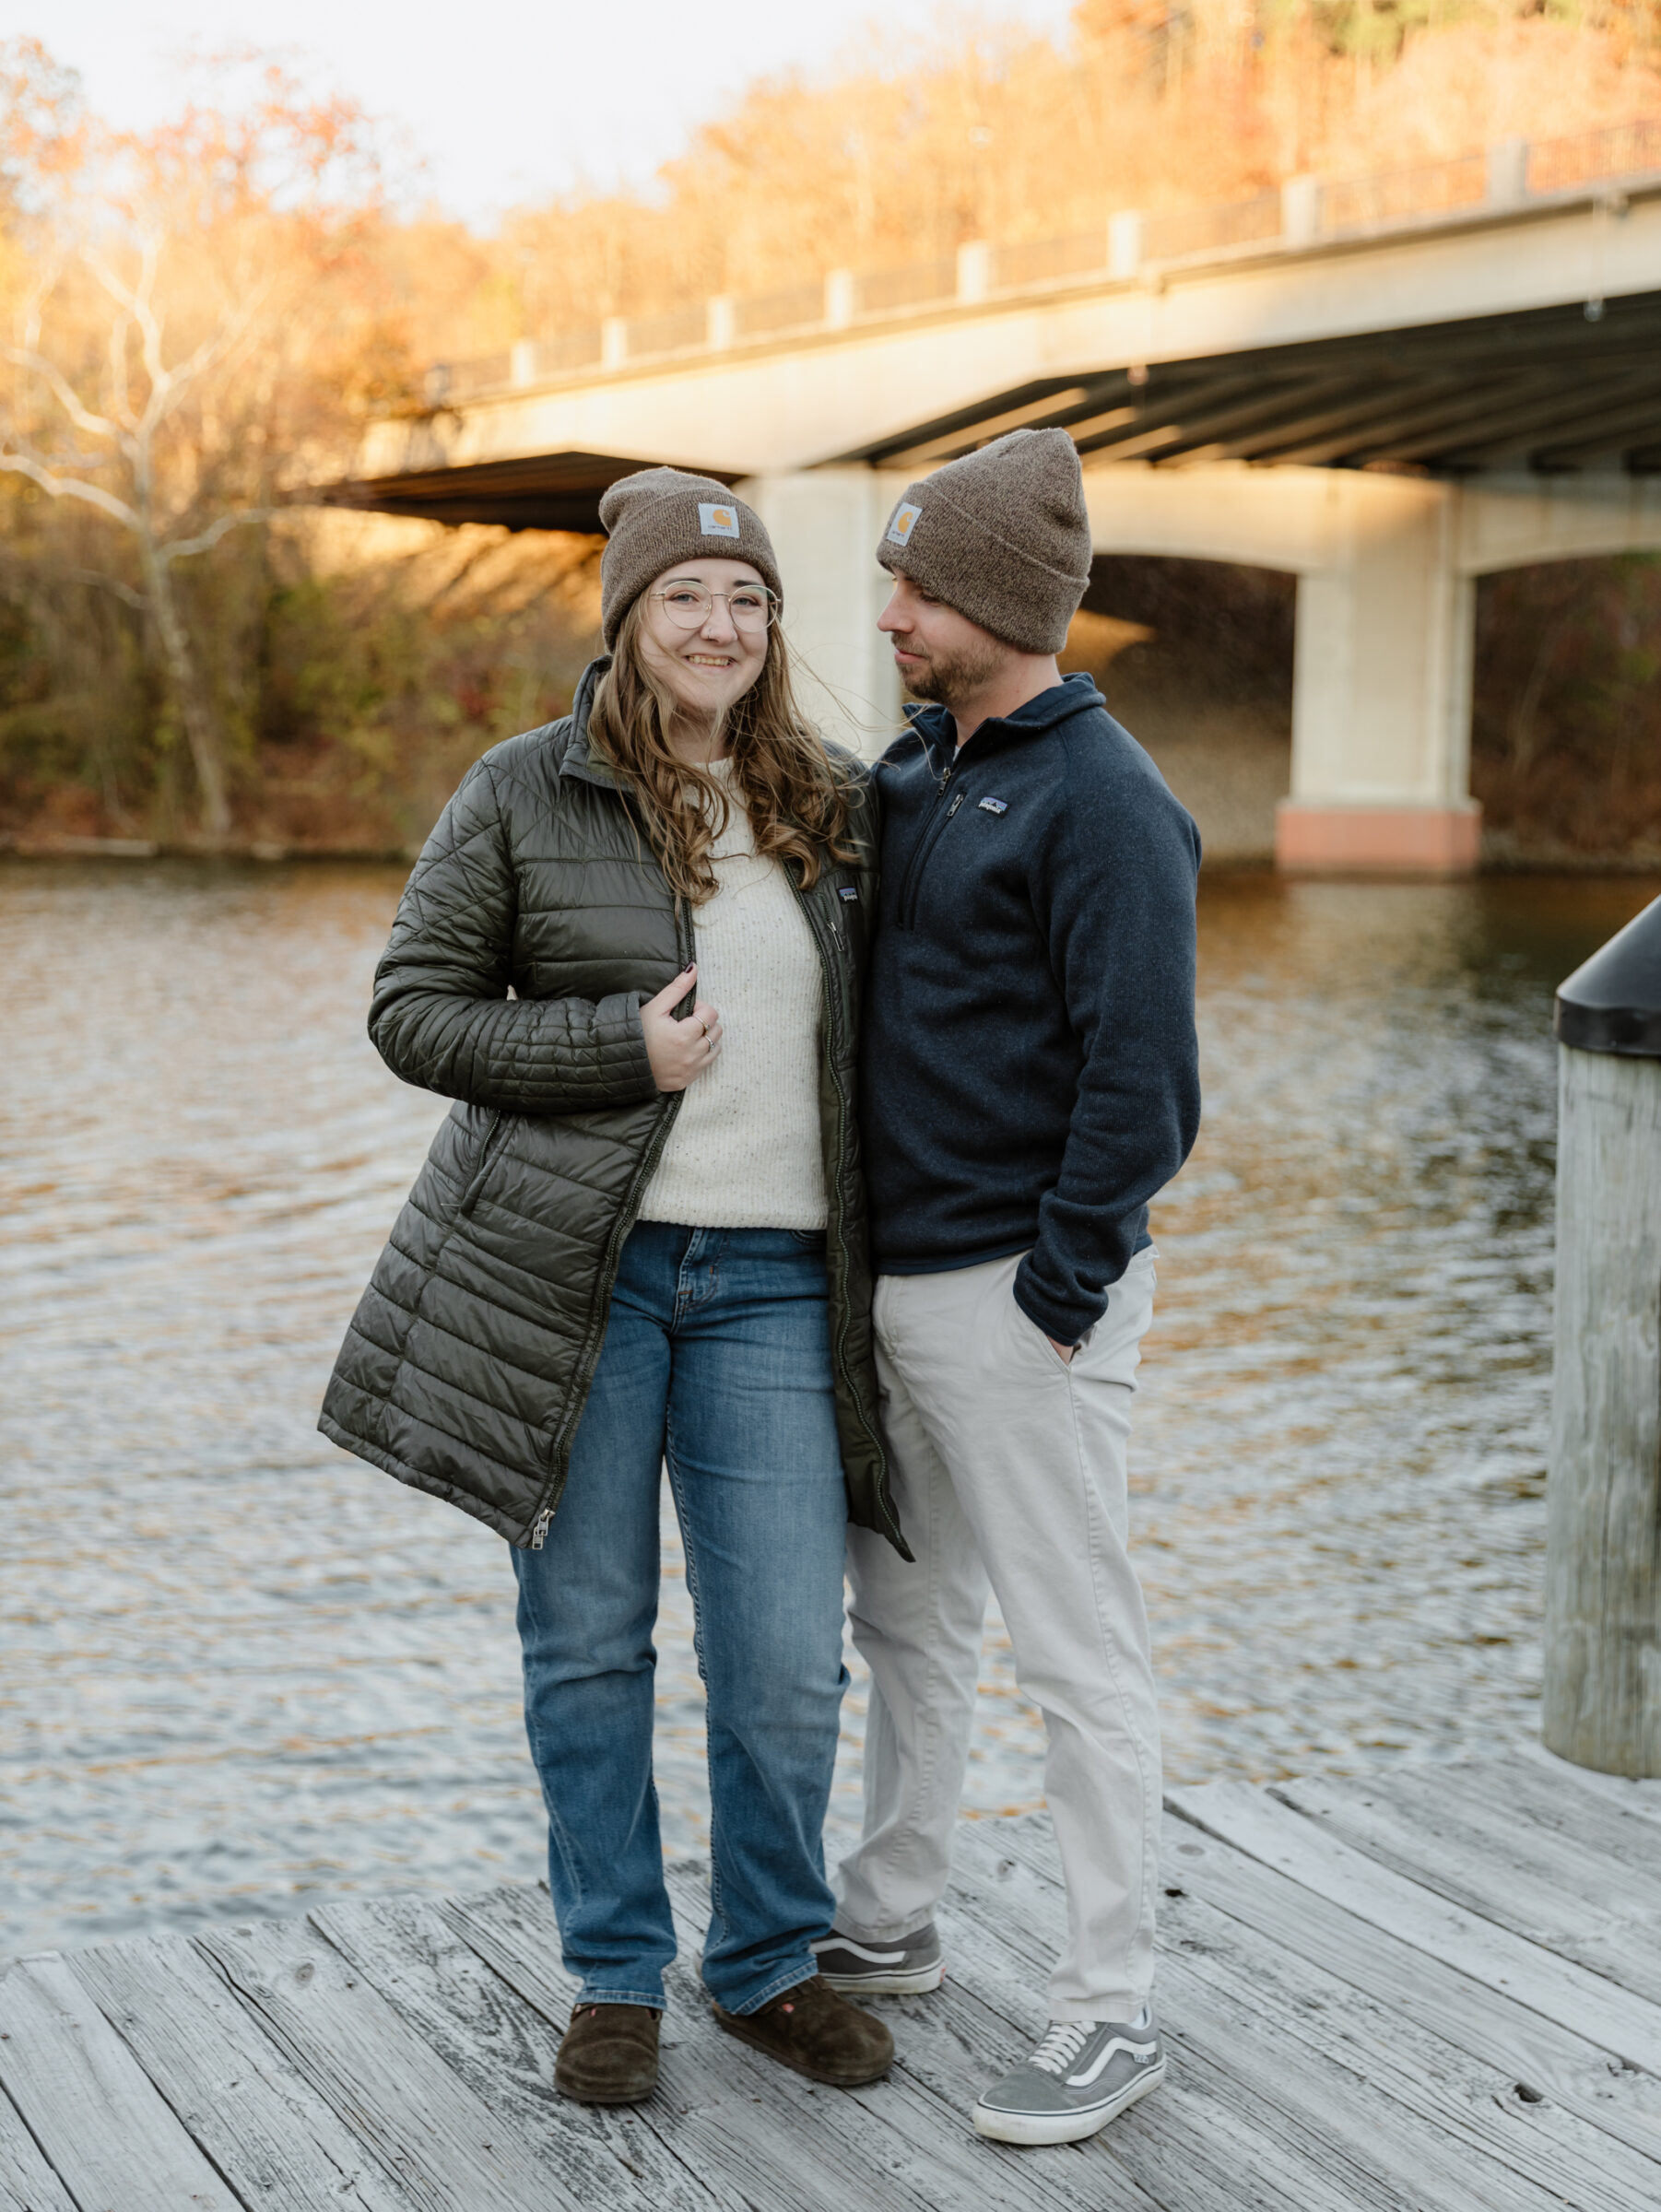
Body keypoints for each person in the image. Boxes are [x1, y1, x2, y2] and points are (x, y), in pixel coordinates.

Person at [320, 467, 906, 2109]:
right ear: (628, 620)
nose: (717, 626)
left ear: (772, 626)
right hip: (572, 1281)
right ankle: (613, 1978)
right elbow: (410, 1011)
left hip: (777, 1288)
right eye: (683, 600)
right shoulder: (524, 790)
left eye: (746, 600)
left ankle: (770, 1964)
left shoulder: (839, 806)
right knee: (587, 1640)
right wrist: (612, 1049)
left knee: (787, 1655)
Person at [811, 429, 1201, 2146]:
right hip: (888, 1292)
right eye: (892, 580)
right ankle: (889, 1919)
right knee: (904, 1628)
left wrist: (1058, 1292)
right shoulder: (914, 775)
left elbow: (1146, 1086)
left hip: (1017, 1305)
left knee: (1075, 1654)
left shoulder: (1108, 803)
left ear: (997, 602)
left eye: (915, 587)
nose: (886, 611)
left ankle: (1111, 2006)